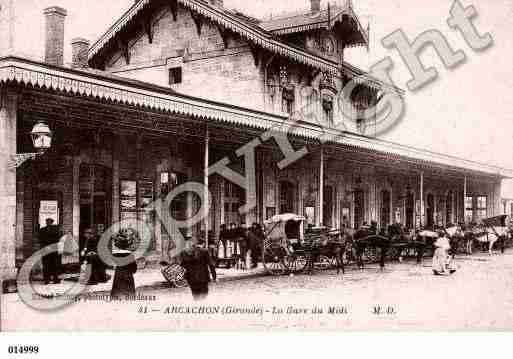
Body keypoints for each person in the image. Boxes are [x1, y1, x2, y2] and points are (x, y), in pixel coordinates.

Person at [110, 232, 137, 298]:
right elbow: (134, 266)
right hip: (128, 274)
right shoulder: (130, 254)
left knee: (117, 290)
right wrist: (133, 270)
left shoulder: (115, 255)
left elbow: (112, 264)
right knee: (129, 291)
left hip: (119, 273)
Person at [39, 218, 62, 284]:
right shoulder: (42, 230)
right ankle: (46, 279)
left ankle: (55, 279)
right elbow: (40, 239)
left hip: (53, 250)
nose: (48, 223)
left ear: (52, 223)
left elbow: (57, 239)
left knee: (55, 265)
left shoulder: (56, 230)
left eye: (50, 222)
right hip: (45, 250)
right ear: (46, 223)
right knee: (46, 265)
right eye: (47, 222)